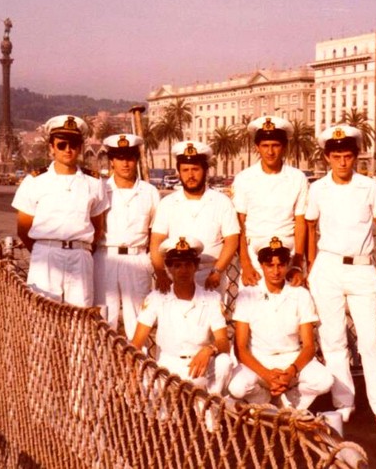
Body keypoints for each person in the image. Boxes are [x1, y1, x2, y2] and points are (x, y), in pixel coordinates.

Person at [305, 125, 376, 428]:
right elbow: (309, 227)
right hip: (327, 266)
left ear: (356, 156)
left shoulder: (368, 186)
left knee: (370, 341)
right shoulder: (317, 188)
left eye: (347, 156)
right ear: (327, 158)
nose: (342, 162)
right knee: (332, 340)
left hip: (362, 268)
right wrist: (311, 267)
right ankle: (343, 403)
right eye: (336, 156)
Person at [11, 114, 108, 307]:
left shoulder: (94, 182)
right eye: (61, 145)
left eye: (73, 144)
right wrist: (44, 250)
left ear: (80, 147)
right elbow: (23, 228)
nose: (68, 149)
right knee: (42, 320)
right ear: (51, 148)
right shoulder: (35, 181)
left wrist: (80, 249)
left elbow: (98, 228)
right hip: (46, 255)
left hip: (80, 257)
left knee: (79, 319)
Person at [228, 237, 333, 410]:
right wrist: (267, 375)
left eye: (281, 265)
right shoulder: (247, 294)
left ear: (288, 265)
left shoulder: (300, 294)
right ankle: (266, 402)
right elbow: (240, 347)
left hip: (290, 358)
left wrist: (291, 372)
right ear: (261, 265)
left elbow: (308, 346)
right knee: (237, 387)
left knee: (324, 381)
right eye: (270, 265)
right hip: (260, 359)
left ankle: (290, 402)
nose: (276, 271)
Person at [131, 236, 232, 396]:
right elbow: (137, 341)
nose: (183, 271)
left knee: (224, 361)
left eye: (188, 265)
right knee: (159, 414)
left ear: (196, 266)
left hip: (199, 365)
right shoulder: (156, 298)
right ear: (169, 269)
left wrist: (209, 350)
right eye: (177, 266)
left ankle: (211, 405)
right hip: (168, 365)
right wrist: (132, 374)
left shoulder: (211, 298)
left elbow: (223, 342)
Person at [94, 133, 161, 338]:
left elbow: (155, 232)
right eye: (120, 157)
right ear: (112, 161)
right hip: (106, 257)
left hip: (137, 258)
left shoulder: (149, 192)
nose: (125, 163)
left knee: (139, 321)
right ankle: (103, 368)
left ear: (136, 160)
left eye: (130, 157)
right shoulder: (100, 189)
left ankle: (140, 369)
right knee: (104, 319)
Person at [150, 141, 239, 294]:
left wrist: (217, 271)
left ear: (205, 170)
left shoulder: (222, 202)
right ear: (179, 172)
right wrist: (161, 273)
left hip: (211, 275)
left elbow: (231, 241)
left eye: (195, 169)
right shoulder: (167, 203)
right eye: (185, 170)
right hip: (176, 274)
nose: (190, 175)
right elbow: (156, 241)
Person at [232, 116, 309, 287]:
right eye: (265, 146)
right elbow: (239, 225)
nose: (270, 151)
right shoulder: (244, 178)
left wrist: (297, 263)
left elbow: (300, 222)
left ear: (285, 147)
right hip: (255, 256)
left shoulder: (298, 178)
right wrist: (245, 264)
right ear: (257, 147)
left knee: (290, 310)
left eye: (275, 145)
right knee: (252, 311)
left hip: (287, 256)